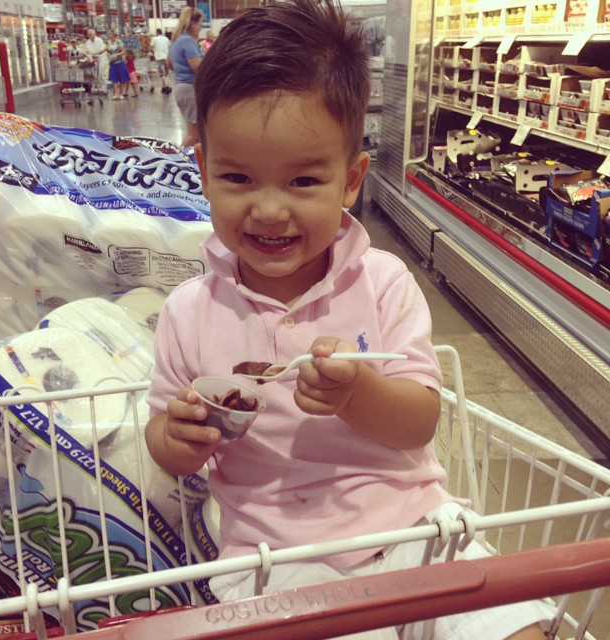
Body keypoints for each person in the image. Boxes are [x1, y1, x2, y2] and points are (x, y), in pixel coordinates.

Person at [145, 1, 553, 639]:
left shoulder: (383, 283)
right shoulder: (189, 312)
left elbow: (419, 422)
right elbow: (163, 441)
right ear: (202, 171)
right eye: (238, 177)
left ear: (351, 180)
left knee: (515, 626)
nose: (269, 210)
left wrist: (357, 392)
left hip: (415, 529)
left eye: (304, 180)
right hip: (276, 558)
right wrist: (179, 439)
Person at [168, 7, 203, 146]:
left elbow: (169, 64)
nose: (200, 28)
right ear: (193, 23)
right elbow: (198, 67)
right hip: (189, 88)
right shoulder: (188, 41)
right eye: (200, 24)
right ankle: (181, 156)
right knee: (195, 135)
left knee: (195, 133)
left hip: (181, 87)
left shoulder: (176, 40)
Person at [106, 30, 130, 100]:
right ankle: (115, 94)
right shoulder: (108, 42)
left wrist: (117, 54)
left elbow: (123, 51)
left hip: (120, 62)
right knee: (114, 79)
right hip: (112, 62)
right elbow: (107, 50)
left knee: (121, 78)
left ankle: (121, 93)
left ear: (114, 34)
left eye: (110, 34)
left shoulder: (119, 42)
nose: (109, 35)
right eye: (108, 34)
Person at [150, 28, 172, 94]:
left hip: (159, 58)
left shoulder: (154, 39)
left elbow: (151, 47)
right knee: (166, 74)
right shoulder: (166, 39)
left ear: (157, 32)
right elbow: (170, 46)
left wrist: (153, 52)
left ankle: (167, 87)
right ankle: (164, 87)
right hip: (166, 57)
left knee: (162, 74)